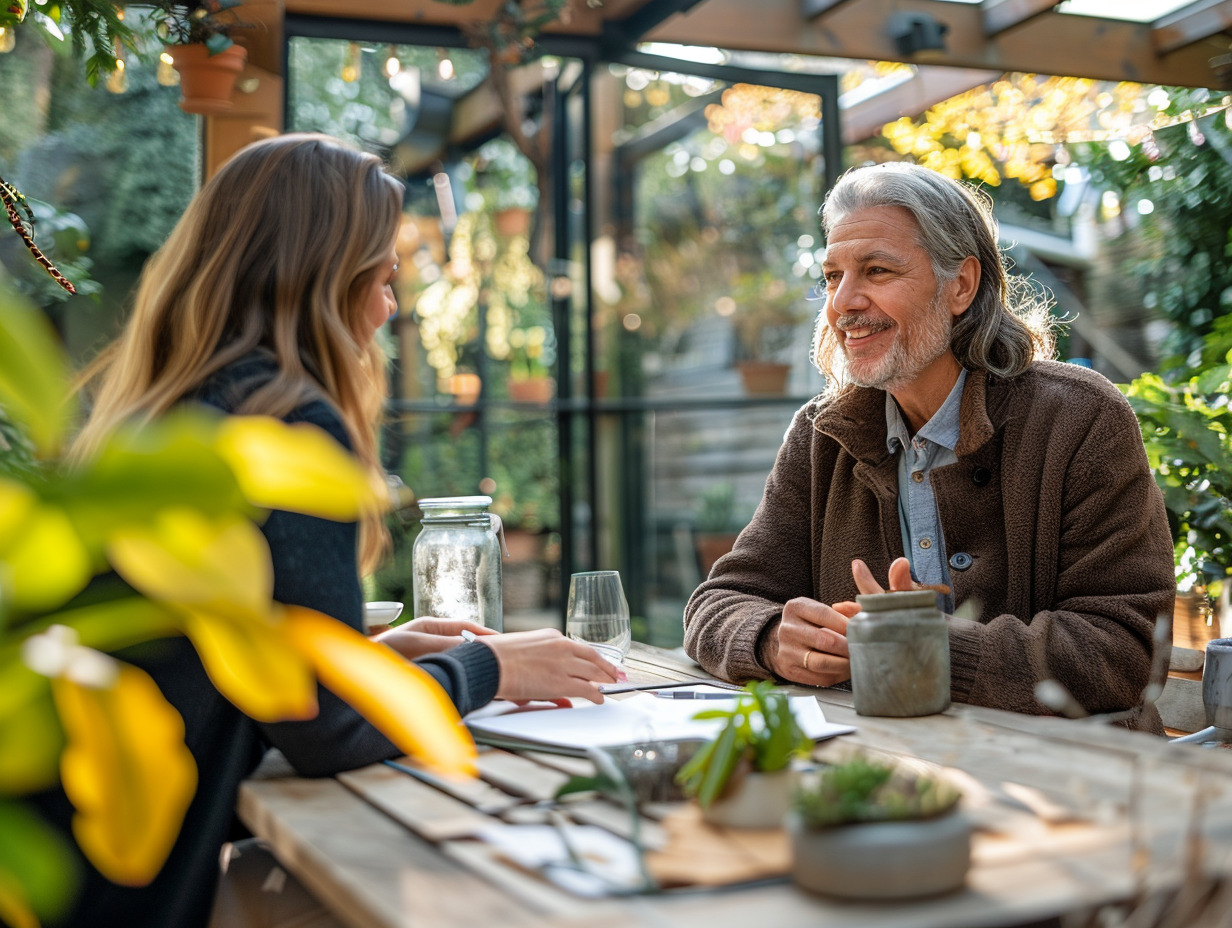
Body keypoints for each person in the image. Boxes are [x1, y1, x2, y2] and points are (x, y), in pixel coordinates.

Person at [39, 133, 618, 928]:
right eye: (381, 279)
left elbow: (211, 663)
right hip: (113, 888)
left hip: (54, 847)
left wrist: (371, 660)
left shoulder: (165, 419)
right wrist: (488, 668)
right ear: (319, 281)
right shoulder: (285, 425)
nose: (390, 308)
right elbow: (328, 731)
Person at [683, 161, 1174, 733]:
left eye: (876, 271)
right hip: (885, 769)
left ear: (961, 286)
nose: (844, 303)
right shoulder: (822, 435)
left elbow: (1127, 650)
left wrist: (932, 646)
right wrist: (769, 640)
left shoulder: (1080, 418)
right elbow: (720, 601)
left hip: (1078, 787)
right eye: (833, 276)